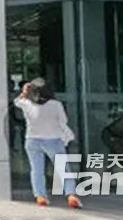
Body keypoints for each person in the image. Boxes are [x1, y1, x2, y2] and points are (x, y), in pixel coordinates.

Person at [14, 79, 81, 208]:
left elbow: (17, 101)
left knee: (36, 170)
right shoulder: (56, 105)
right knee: (63, 169)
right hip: (53, 140)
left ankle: (40, 196)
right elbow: (63, 121)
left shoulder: (27, 103)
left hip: (32, 139)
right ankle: (71, 195)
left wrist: (24, 91)